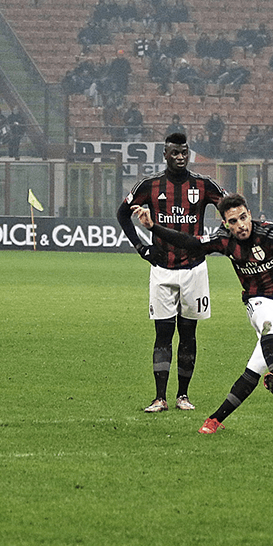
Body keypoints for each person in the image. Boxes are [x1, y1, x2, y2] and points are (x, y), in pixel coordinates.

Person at [130, 193, 273, 433]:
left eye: (243, 218)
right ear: (226, 223)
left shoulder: (269, 232)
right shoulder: (224, 239)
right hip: (258, 299)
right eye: (233, 221)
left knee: (254, 369)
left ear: (249, 214)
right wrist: (154, 227)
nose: (240, 225)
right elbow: (189, 242)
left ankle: (213, 421)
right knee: (268, 323)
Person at [116, 132, 226, 413]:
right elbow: (122, 214)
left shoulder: (203, 184)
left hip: (194, 270)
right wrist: (142, 247)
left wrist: (216, 240)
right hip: (162, 270)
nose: (180, 157)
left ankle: (183, 396)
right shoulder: (150, 186)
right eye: (174, 153)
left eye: (184, 152)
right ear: (164, 154)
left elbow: (231, 208)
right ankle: (159, 397)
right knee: (163, 334)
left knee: (188, 333)